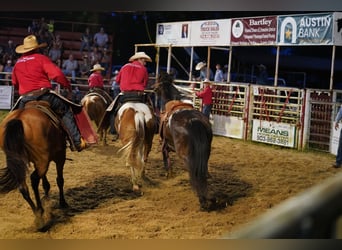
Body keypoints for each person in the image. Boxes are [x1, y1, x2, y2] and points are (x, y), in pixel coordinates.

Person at [11, 34, 87, 152]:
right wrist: (67, 86)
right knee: (65, 110)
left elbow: (14, 83)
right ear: (36, 48)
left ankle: (9, 144)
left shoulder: (17, 64)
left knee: (12, 119)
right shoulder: (41, 58)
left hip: (25, 99)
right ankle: (77, 141)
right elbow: (57, 75)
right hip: (44, 95)